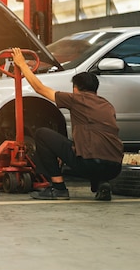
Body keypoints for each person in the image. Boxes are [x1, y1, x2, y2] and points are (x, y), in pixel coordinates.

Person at [11, 47, 123, 201]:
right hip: (115, 168)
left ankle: (58, 188)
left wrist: (22, 64)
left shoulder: (76, 99)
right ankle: (102, 184)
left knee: (42, 134)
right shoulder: (108, 105)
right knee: (93, 146)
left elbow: (39, 88)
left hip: (89, 164)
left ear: (75, 89)